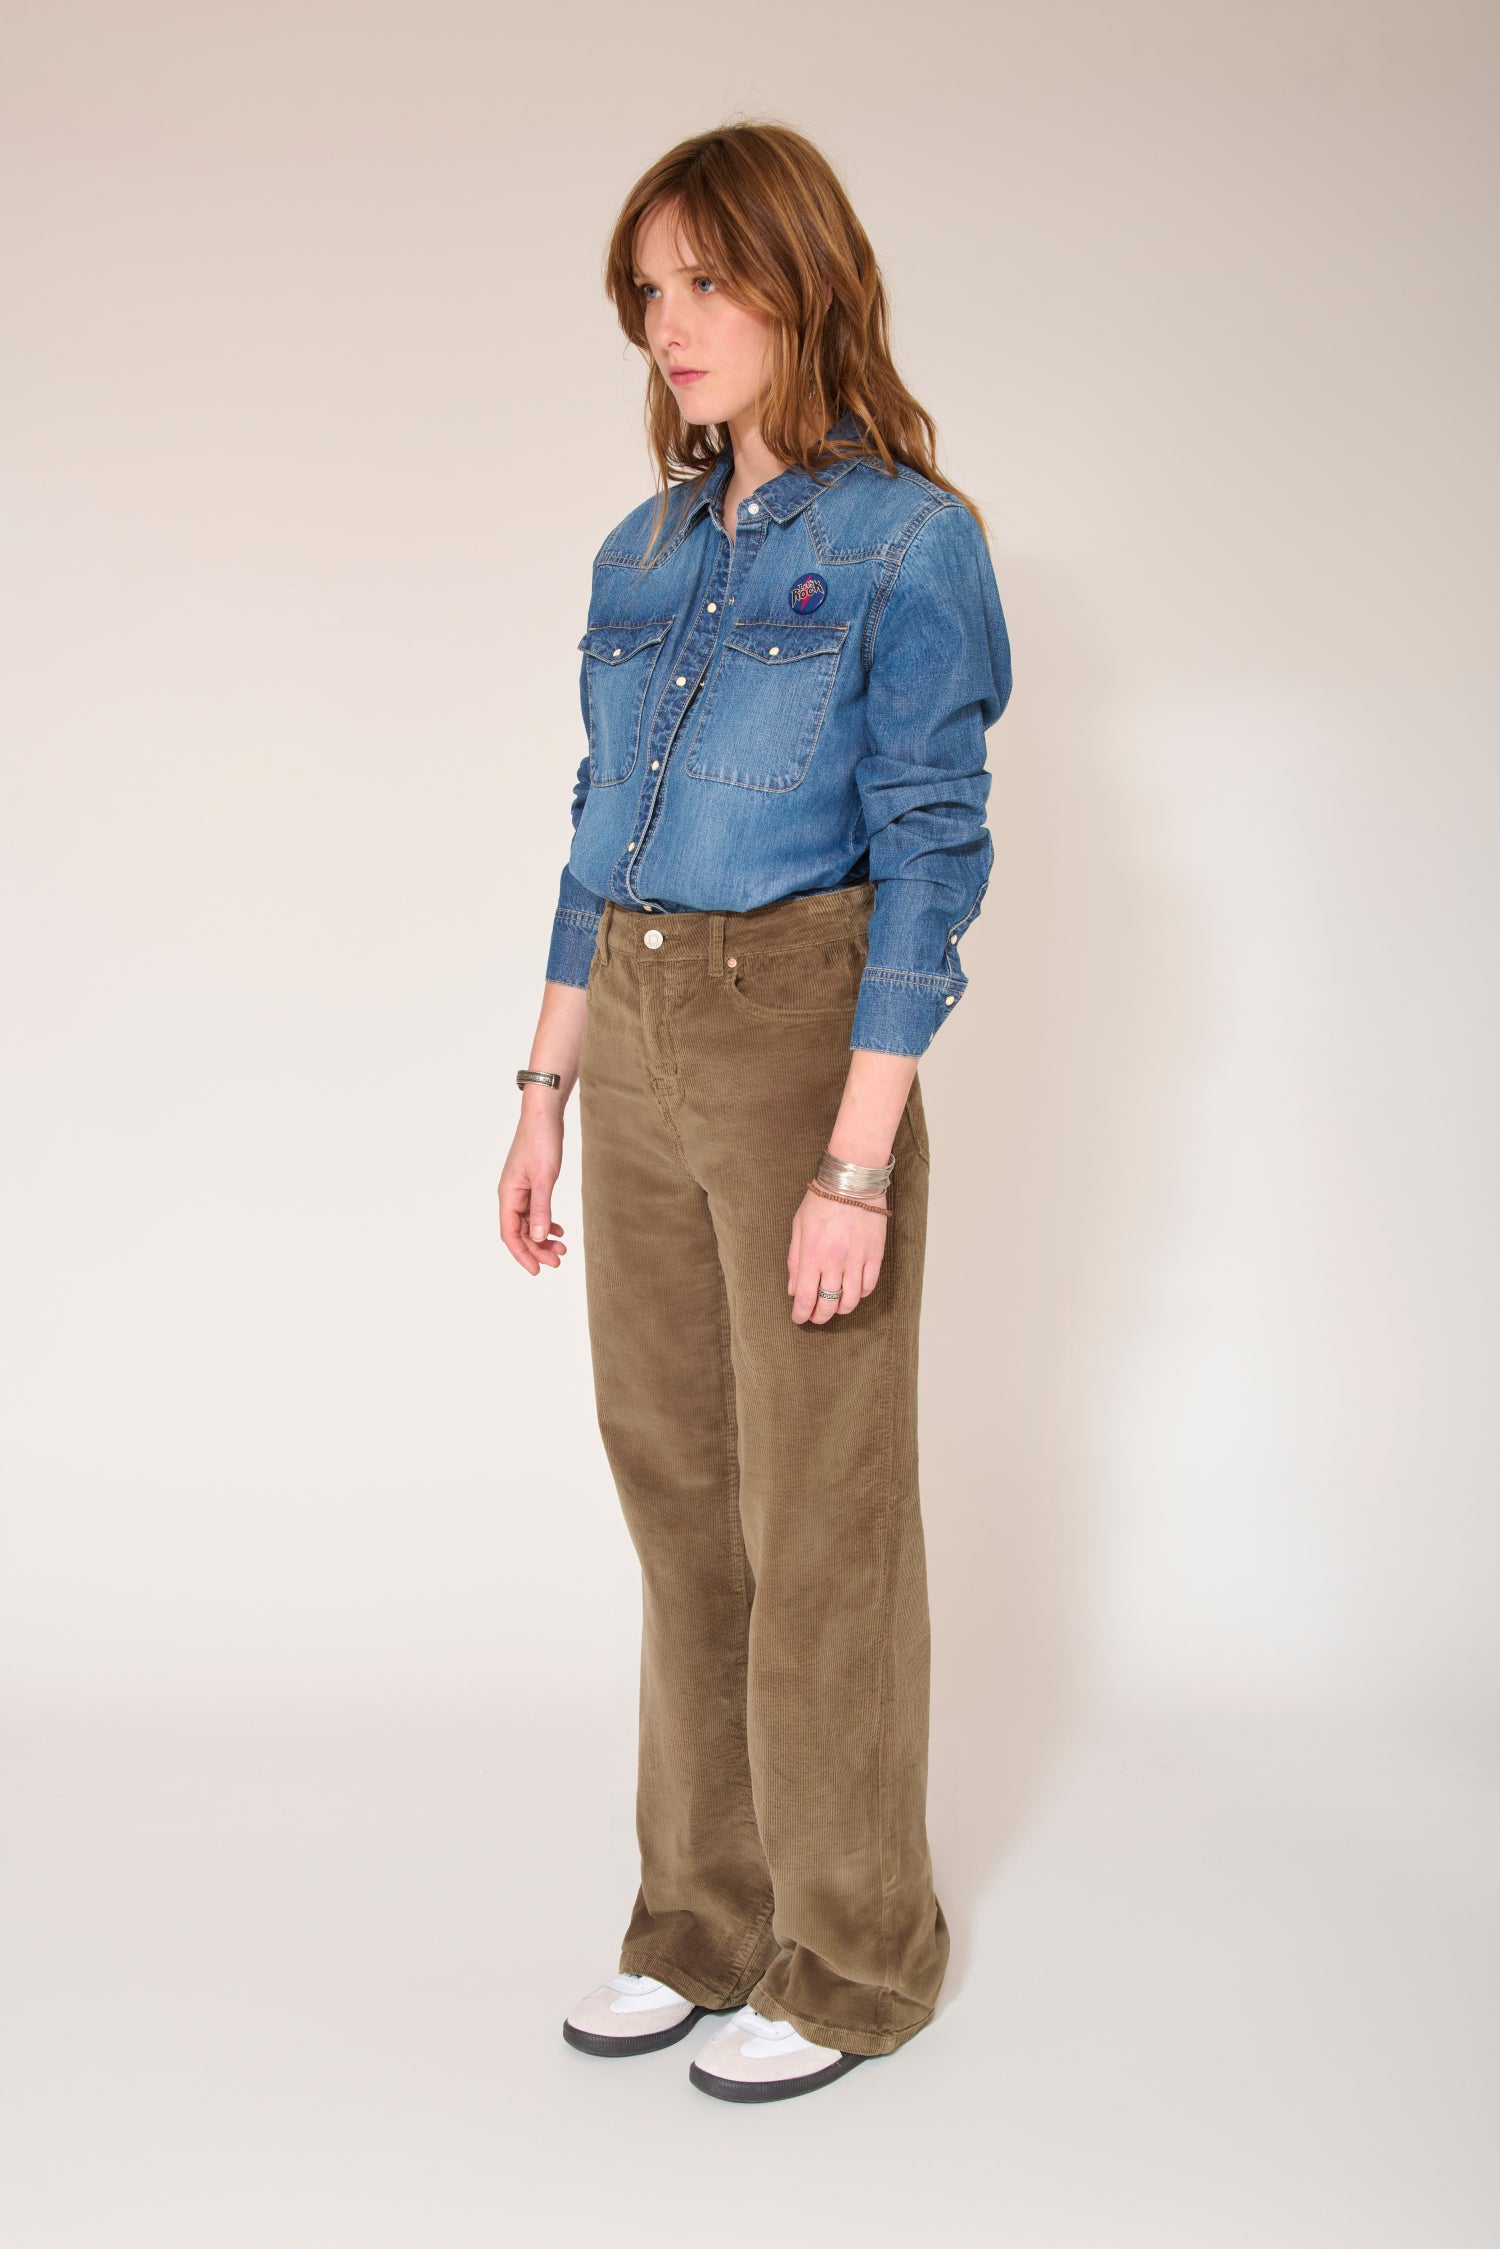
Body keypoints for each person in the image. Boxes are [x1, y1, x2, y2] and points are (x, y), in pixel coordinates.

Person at [497, 120, 1013, 2104]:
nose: (670, 322)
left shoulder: (907, 541)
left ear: (804, 281)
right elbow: (593, 831)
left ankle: (856, 1949)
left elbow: (932, 858)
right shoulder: (640, 554)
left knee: (824, 1511)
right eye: (648, 289)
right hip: (631, 1032)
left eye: (706, 280)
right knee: (678, 1489)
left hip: (804, 1034)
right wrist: (545, 1087)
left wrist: (854, 1158)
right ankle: (701, 1923)